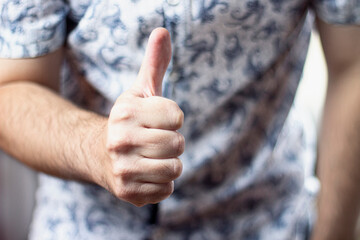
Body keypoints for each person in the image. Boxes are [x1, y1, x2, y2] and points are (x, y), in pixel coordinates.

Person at [0, 0, 359, 239]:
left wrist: (334, 231)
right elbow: (12, 88)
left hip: (267, 220)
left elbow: (352, 65)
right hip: (84, 225)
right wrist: (95, 147)